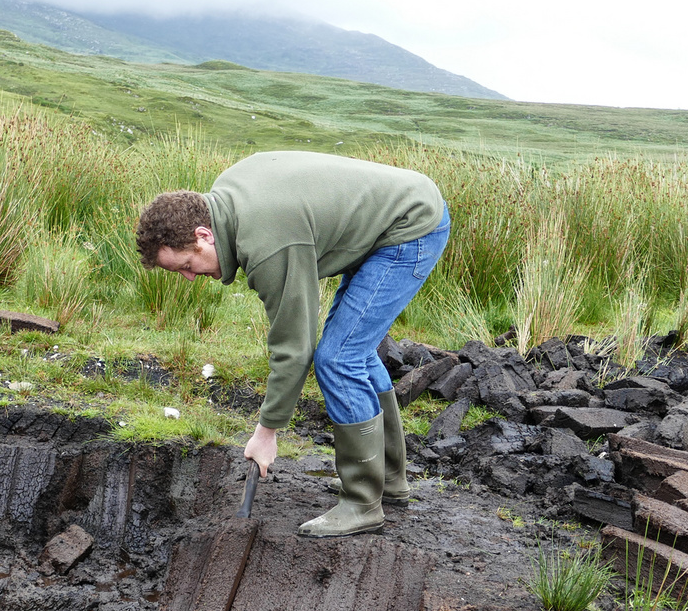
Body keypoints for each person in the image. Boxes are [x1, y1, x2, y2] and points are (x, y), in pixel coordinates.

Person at [135, 150, 451, 538]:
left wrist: (266, 432)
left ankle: (363, 504)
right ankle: (387, 480)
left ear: (204, 235)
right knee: (352, 348)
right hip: (393, 212)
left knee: (338, 358)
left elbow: (294, 347)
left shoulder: (268, 241)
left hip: (411, 226)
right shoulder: (224, 202)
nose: (188, 278)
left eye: (186, 265)